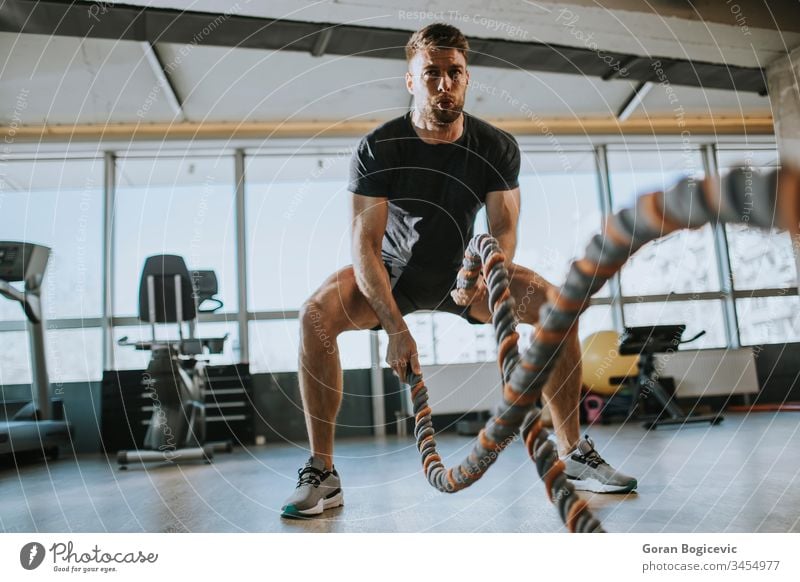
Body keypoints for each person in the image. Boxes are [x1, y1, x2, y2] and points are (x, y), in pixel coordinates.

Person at [281, 23, 637, 519]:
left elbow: (503, 232)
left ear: (467, 79)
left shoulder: (496, 147)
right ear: (411, 81)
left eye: (454, 73)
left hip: (462, 278)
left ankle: (574, 453)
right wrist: (395, 329)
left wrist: (487, 282)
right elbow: (364, 245)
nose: (444, 84)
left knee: (561, 307)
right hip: (391, 276)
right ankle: (322, 472)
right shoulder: (379, 148)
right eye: (432, 74)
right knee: (313, 315)